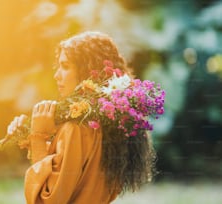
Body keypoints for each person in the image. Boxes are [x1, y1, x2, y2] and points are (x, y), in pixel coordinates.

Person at [8, 31, 156, 204]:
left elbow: (47, 199)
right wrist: (30, 137)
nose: (57, 75)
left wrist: (38, 139)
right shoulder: (108, 126)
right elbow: (76, 174)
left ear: (88, 71)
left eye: (65, 66)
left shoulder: (76, 128)